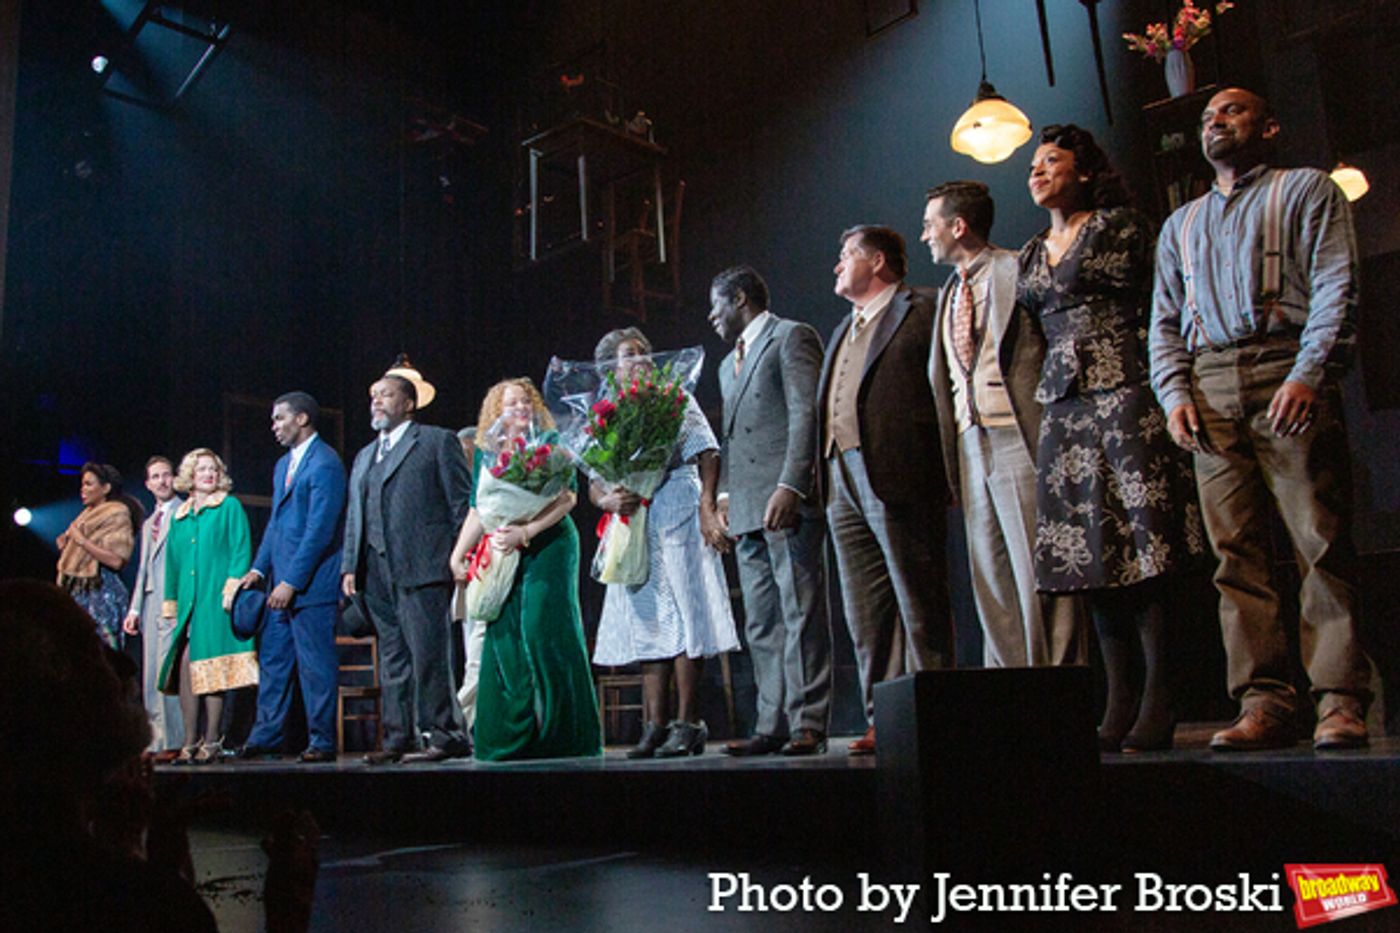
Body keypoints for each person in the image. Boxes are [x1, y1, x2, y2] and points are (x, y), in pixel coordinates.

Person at [1149, 88, 1372, 751]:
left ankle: (1339, 698)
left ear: (1269, 125)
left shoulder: (1306, 190)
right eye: (1207, 116)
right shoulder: (1180, 223)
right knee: (1234, 554)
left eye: (1233, 111)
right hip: (1208, 380)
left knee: (1317, 537)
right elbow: (1163, 318)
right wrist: (1174, 391)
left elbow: (1337, 283)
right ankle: (1265, 700)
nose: (1216, 121)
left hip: (1284, 361)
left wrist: (1310, 371)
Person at [1020, 124, 1202, 752]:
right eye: (1034, 164)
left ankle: (1160, 694)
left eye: (1052, 161)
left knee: (1141, 542)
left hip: (1125, 387)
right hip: (1064, 406)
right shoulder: (1029, 251)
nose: (1038, 171)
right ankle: (1118, 695)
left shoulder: (1122, 227)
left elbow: (1158, 305)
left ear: (1086, 171)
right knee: (1090, 554)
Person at [923, 181, 1085, 669]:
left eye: (931, 224)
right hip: (970, 440)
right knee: (990, 575)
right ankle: (1012, 695)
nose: (925, 234)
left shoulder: (1017, 267)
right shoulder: (949, 290)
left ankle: (1059, 688)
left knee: (1041, 570)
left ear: (959, 225)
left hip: (1019, 433)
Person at [1, 579, 218, 933]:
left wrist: (131, 849)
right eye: (92, 648)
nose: (123, 666)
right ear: (54, 679)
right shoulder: (104, 897)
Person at [817, 225, 950, 756]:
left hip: (898, 470)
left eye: (845, 255)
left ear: (876, 261)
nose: (836, 266)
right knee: (865, 611)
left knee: (918, 597)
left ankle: (934, 709)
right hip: (839, 474)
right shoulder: (842, 329)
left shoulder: (924, 308)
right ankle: (885, 715)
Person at [590, 327, 739, 758]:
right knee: (648, 617)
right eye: (627, 355)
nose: (637, 360)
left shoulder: (673, 399)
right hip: (635, 518)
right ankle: (654, 724)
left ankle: (688, 722)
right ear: (610, 368)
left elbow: (707, 451)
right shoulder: (605, 413)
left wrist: (708, 508)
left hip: (677, 504)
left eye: (642, 353)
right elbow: (595, 480)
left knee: (687, 614)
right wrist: (608, 498)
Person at [708, 265, 833, 756]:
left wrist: (792, 485)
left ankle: (808, 721)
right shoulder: (725, 366)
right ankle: (771, 722)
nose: (710, 315)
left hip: (786, 502)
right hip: (746, 508)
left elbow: (807, 413)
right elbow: (733, 440)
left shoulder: (790, 337)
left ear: (739, 298)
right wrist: (724, 499)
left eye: (715, 304)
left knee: (800, 610)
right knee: (760, 619)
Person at [448, 378, 602, 760]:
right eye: (509, 403)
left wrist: (527, 531)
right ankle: (511, 734)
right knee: (504, 635)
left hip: (550, 543)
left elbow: (567, 497)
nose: (518, 408)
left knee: (541, 628)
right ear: (496, 412)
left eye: (524, 402)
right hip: (504, 546)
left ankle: (561, 733)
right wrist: (458, 553)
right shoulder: (486, 451)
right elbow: (478, 508)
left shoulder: (550, 442)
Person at [341, 360, 472, 763]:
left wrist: (457, 556)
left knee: (429, 654)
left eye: (386, 394)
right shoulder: (364, 456)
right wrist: (350, 565)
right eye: (373, 396)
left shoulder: (435, 441)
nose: (376, 401)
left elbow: (460, 504)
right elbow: (355, 513)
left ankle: (446, 734)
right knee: (394, 658)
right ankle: (400, 736)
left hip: (423, 564)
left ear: (409, 403)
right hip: (375, 571)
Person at [238, 392, 348, 764]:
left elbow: (320, 529)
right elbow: (277, 523)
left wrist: (292, 582)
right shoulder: (283, 464)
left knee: (315, 665)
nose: (274, 426)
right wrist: (258, 570)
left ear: (302, 419)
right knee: (274, 662)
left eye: (279, 419)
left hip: (311, 586)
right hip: (278, 585)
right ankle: (265, 735)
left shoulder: (325, 464)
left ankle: (321, 740)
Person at [159, 448, 258, 764]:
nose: (209, 474)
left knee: (211, 663)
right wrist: (171, 603)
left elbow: (241, 548)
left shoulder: (228, 506)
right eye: (202, 469)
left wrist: (232, 584)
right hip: (191, 600)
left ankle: (213, 738)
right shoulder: (181, 516)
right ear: (190, 474)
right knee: (188, 662)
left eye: (213, 469)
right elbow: (173, 564)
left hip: (217, 600)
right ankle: (190, 737)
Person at [122, 456, 186, 755]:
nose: (162, 481)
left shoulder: (185, 513)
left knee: (168, 671)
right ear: (147, 484)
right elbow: (143, 569)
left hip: (173, 600)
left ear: (174, 477)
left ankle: (174, 739)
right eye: (155, 477)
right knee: (150, 675)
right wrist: (134, 609)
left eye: (166, 475)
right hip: (150, 602)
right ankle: (155, 739)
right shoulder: (149, 523)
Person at [57, 462, 141, 651]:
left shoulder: (117, 514)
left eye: (89, 484)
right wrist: (67, 547)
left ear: (105, 488)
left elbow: (117, 560)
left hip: (102, 593)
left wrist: (82, 542)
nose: (83, 489)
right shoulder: (85, 516)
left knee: (103, 653)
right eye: (82, 484)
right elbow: (81, 558)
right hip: (79, 593)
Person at [453, 425, 487, 728]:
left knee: (478, 651)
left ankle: (459, 719)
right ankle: (471, 722)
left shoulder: (493, 480)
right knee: (471, 652)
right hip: (465, 576)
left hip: (491, 570)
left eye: (469, 452)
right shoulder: (455, 485)